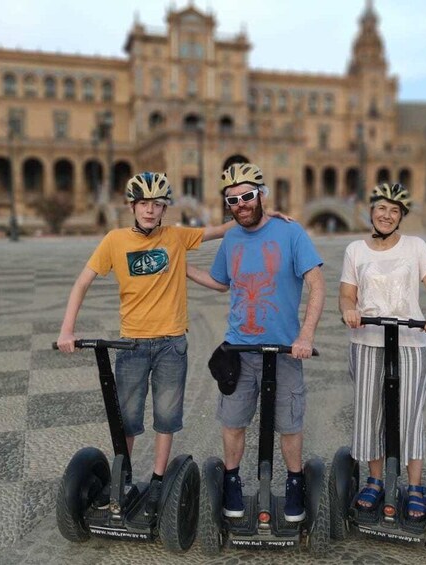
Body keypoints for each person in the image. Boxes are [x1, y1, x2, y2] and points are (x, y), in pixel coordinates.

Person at [56, 172, 280, 517]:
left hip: (172, 344)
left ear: (164, 209)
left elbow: (223, 229)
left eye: (157, 205)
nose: (149, 211)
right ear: (132, 206)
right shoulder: (114, 241)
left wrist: (266, 216)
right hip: (131, 344)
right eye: (143, 204)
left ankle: (159, 481)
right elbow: (82, 283)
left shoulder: (176, 237)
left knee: (166, 416)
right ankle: (124, 480)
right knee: (126, 419)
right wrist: (66, 330)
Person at [187, 163, 325, 522]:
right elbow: (221, 282)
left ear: (262, 195)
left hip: (284, 351)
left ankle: (294, 481)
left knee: (290, 423)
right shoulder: (231, 236)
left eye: (247, 196)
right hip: (238, 350)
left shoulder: (290, 233)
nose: (241, 203)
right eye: (233, 199)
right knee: (232, 421)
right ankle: (232, 479)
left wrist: (305, 335)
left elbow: (317, 284)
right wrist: (183, 269)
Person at [338, 182, 426, 521]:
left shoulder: (416, 247)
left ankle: (414, 485)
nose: (387, 215)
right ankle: (374, 478)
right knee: (370, 413)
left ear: (401, 216)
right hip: (367, 342)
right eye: (381, 208)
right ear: (371, 210)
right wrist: (349, 310)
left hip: (411, 343)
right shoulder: (355, 250)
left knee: (409, 414)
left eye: (394, 211)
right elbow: (346, 294)